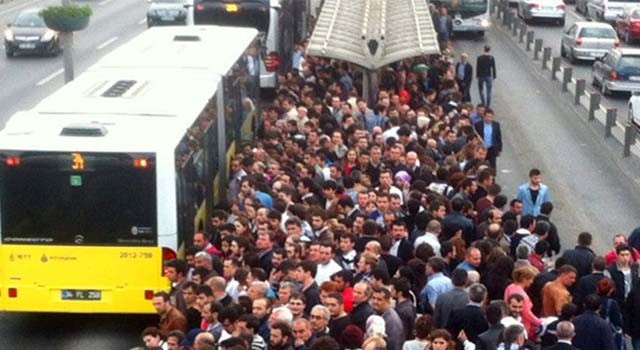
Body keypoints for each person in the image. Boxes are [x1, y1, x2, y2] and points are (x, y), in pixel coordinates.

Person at [504, 266, 541, 339]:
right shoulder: (522, 295)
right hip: (523, 326)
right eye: (531, 279)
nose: (532, 281)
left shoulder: (510, 287)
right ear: (524, 279)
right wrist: (540, 322)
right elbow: (527, 313)